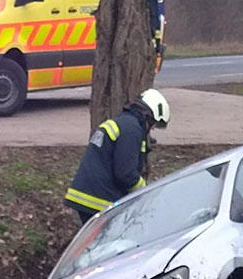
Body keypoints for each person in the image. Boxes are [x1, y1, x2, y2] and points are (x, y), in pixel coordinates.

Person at [65, 89, 170, 224]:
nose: (153, 129)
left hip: (87, 195)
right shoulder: (132, 130)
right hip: (98, 200)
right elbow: (125, 173)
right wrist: (143, 190)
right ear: (148, 116)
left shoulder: (123, 123)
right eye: (154, 124)